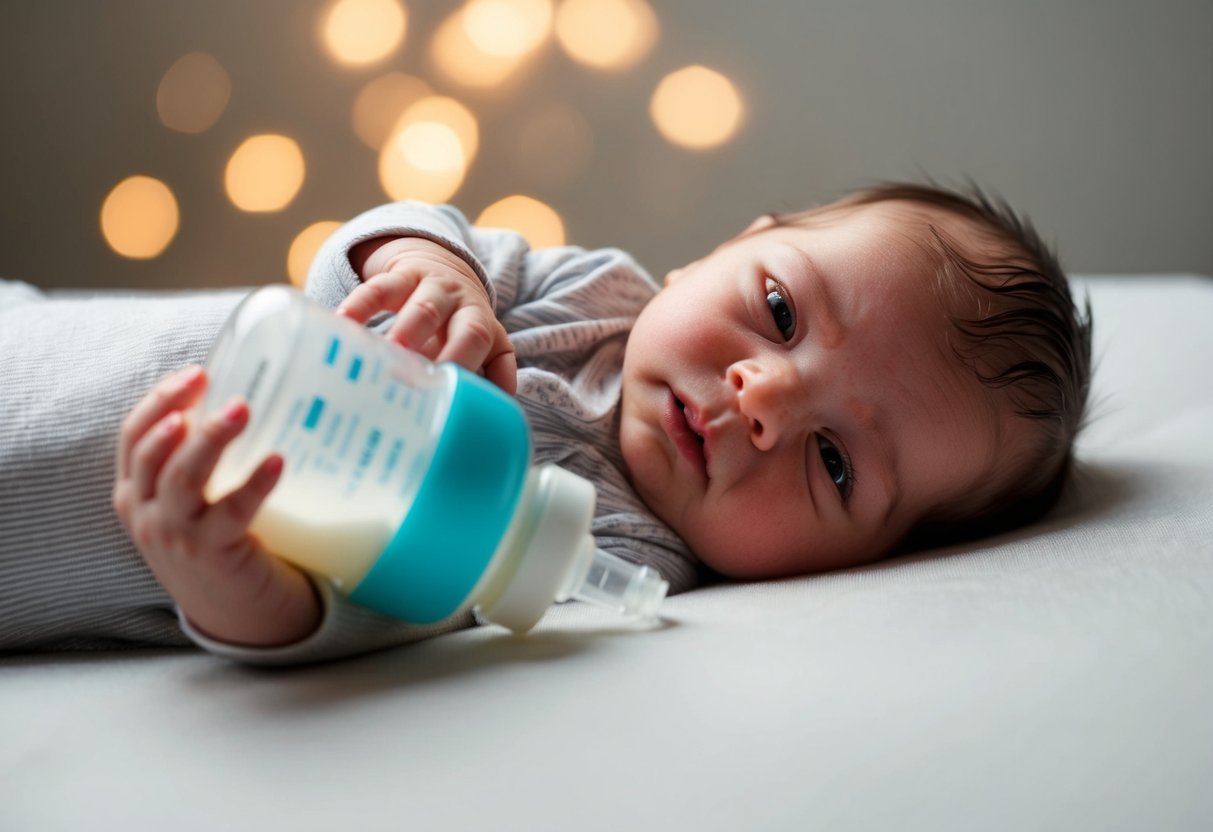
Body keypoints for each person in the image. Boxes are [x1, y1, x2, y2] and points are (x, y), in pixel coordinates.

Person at [0, 181, 1092, 664]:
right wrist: (431, 269)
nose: (764, 401)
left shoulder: (619, 560)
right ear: (731, 243)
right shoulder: (590, 296)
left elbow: (374, 622)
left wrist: (232, 586)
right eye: (777, 311)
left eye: (837, 466)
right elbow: (367, 254)